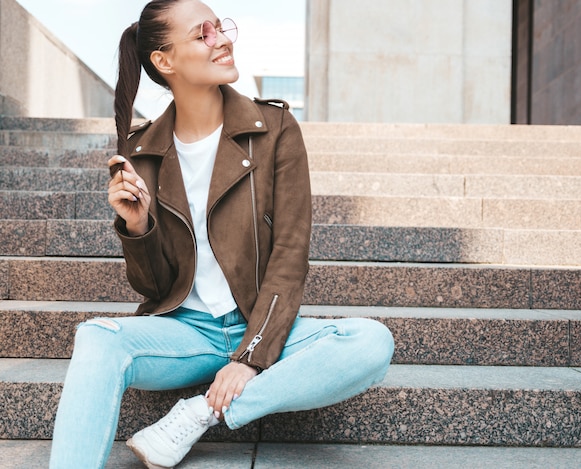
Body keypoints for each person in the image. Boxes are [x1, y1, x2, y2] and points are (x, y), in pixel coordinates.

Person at [49, 0, 394, 467]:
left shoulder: (273, 130)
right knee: (96, 337)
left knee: (372, 342)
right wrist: (136, 226)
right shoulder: (141, 150)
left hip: (259, 322)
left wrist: (250, 357)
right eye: (203, 34)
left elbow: (290, 255)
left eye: (221, 27)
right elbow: (154, 288)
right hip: (185, 333)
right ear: (164, 60)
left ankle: (197, 414)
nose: (223, 39)